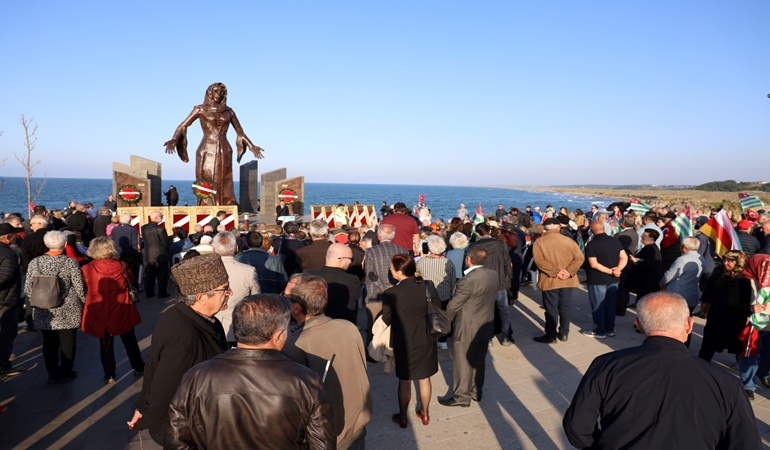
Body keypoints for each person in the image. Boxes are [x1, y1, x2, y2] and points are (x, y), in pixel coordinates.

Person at [563, 292, 761, 449]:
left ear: (638, 325)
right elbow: (745, 443)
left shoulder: (606, 365)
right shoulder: (726, 384)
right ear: (690, 325)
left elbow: (577, 427)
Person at [166, 293, 334, 448]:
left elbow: (177, 441)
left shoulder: (195, 377)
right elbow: (322, 445)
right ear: (278, 336)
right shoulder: (306, 380)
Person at [127, 253, 230, 445]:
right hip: (188, 432)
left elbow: (153, 366)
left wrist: (142, 405)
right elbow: (164, 383)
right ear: (201, 297)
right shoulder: (185, 334)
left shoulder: (182, 314)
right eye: (224, 289)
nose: (229, 294)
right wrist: (146, 414)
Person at [282, 275, 372, 449]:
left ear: (297, 308)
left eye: (287, 299)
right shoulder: (349, 327)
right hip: (357, 422)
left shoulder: (295, 344)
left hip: (327, 434)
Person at [164, 82, 264, 206]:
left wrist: (252, 146)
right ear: (210, 92)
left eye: (221, 92)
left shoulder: (229, 111)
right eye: (216, 91)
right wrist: (174, 140)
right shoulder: (200, 109)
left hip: (224, 148)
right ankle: (205, 203)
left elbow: (240, 132)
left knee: (225, 177)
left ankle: (227, 202)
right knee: (205, 176)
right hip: (206, 147)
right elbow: (183, 125)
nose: (219, 94)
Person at [382, 254, 439, 428]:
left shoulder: (392, 293)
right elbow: (437, 308)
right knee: (424, 378)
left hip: (403, 341)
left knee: (404, 380)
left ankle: (403, 417)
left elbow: (386, 319)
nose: (390, 270)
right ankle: (426, 413)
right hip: (425, 338)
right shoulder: (428, 286)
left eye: (392, 268)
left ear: (399, 272)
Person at [80, 237, 145, 383]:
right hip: (122, 306)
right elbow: (131, 280)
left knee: (105, 343)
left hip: (100, 308)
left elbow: (84, 287)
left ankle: (110, 374)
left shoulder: (87, 268)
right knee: (129, 339)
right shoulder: (121, 265)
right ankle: (138, 366)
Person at [24, 231, 85, 384]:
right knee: (68, 341)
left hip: (44, 308)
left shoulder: (35, 263)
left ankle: (52, 372)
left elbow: (28, 288)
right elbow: (79, 287)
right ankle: (66, 371)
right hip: (68, 309)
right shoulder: (70, 263)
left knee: (49, 342)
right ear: (65, 245)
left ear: (46, 245)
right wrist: (85, 302)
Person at [440, 247, 498, 407]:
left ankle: (461, 397)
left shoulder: (468, 280)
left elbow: (453, 306)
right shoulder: (493, 274)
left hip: (467, 326)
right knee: (478, 360)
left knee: (462, 363)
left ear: (468, 259)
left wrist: (446, 322)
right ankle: (476, 391)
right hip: (485, 324)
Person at [532, 218, 585, 343]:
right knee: (565, 307)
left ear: (545, 229)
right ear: (558, 227)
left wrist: (556, 272)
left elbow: (539, 261)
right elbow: (579, 258)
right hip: (567, 280)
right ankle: (564, 333)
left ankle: (550, 335)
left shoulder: (539, 242)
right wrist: (568, 271)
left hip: (550, 279)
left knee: (551, 309)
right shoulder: (569, 241)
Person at [697, 251, 752, 366]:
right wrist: (705, 301)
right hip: (716, 313)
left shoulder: (744, 278)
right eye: (724, 260)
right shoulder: (719, 272)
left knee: (735, 342)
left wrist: (748, 310)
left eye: (729, 261)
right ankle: (701, 363)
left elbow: (746, 300)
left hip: (734, 317)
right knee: (709, 340)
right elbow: (710, 287)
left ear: (738, 262)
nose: (725, 263)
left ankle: (741, 365)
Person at [467, 222, 514, 345]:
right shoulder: (500, 244)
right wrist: (509, 278)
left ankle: (488, 338)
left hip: (483, 283)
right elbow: (507, 263)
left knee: (485, 311)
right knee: (504, 310)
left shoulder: (474, 247)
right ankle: (506, 337)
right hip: (499, 281)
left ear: (478, 233)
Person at [212, 232, 261, 343]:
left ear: (214, 250)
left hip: (211, 327)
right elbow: (256, 298)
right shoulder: (248, 271)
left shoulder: (203, 271)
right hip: (239, 326)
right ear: (237, 248)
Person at [583, 221, 627, 338]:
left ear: (592, 231)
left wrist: (611, 271)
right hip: (613, 279)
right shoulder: (615, 241)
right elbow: (624, 257)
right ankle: (610, 329)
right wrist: (618, 269)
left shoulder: (592, 244)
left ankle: (599, 330)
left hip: (598, 279)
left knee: (598, 305)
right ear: (604, 228)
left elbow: (593, 264)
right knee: (611, 305)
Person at [363, 224, 404, 346]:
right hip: (398, 293)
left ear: (379, 236)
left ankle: (373, 351)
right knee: (395, 324)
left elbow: (370, 274)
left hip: (375, 294)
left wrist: (385, 288)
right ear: (393, 236)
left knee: (374, 326)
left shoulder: (371, 251)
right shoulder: (403, 251)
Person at [416, 235, 456, 349]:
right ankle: (442, 341)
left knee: (428, 317)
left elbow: (417, 278)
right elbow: (453, 282)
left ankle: (429, 338)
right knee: (443, 318)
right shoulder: (448, 262)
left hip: (427, 294)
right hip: (444, 294)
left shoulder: (421, 262)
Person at [306, 243, 361, 324]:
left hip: (315, 325)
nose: (351, 262)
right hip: (344, 325)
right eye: (351, 259)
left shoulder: (308, 275)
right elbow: (356, 299)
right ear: (342, 259)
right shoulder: (352, 280)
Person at [0, 223, 22, 376]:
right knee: (7, 333)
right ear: (8, 237)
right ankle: (4, 365)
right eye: (14, 235)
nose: (16, 237)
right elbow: (6, 276)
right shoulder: (8, 254)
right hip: (6, 299)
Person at [627, 229, 662, 303]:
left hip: (646, 283)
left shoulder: (650, 249)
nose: (641, 236)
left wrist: (636, 261)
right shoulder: (650, 247)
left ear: (651, 238)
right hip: (646, 283)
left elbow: (650, 265)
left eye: (644, 235)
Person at [141, 211, 170, 298]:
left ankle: (149, 292)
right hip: (160, 254)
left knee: (150, 274)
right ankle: (162, 293)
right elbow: (165, 242)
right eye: (161, 216)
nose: (162, 217)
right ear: (157, 217)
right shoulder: (160, 229)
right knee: (161, 275)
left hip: (149, 253)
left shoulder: (144, 228)